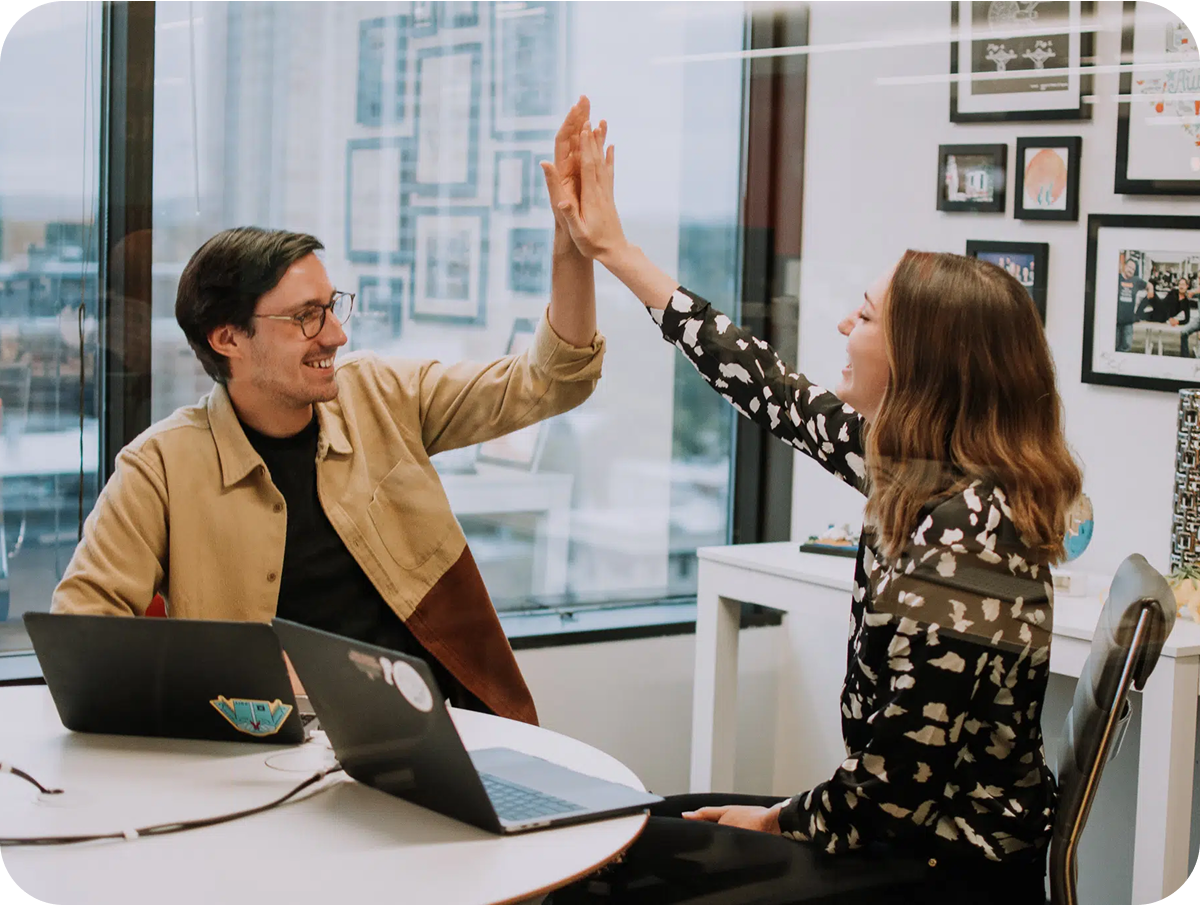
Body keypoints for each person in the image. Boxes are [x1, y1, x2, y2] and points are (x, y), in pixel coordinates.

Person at [543, 109, 1082, 904]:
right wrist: (615, 251)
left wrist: (774, 821)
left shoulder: (968, 536)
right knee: (641, 826)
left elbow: (888, 799)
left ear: (921, 365)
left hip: (935, 872)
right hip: (895, 839)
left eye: (864, 315)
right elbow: (766, 386)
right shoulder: (927, 474)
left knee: (615, 871)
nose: (843, 323)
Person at [51, 100, 608, 726]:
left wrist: (572, 248)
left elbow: (551, 382)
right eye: (305, 316)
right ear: (227, 338)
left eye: (332, 306)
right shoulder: (161, 465)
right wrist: (245, 672)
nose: (336, 335)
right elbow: (81, 635)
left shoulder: (380, 394)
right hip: (269, 745)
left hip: (434, 731)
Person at [1115, 258, 1148, 352]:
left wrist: (1150, 293)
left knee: (1126, 346)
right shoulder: (1116, 278)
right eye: (1129, 267)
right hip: (1115, 320)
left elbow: (1149, 287)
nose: (1131, 270)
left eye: (1133, 269)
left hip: (1128, 321)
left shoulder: (1136, 280)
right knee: (1114, 346)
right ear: (1124, 266)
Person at [1164, 276, 1200, 357]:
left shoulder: (1196, 291)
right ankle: (1185, 357)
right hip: (1199, 320)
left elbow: (1193, 292)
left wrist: (1192, 292)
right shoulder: (1174, 293)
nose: (1199, 280)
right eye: (1199, 278)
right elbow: (1189, 293)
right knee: (1184, 332)